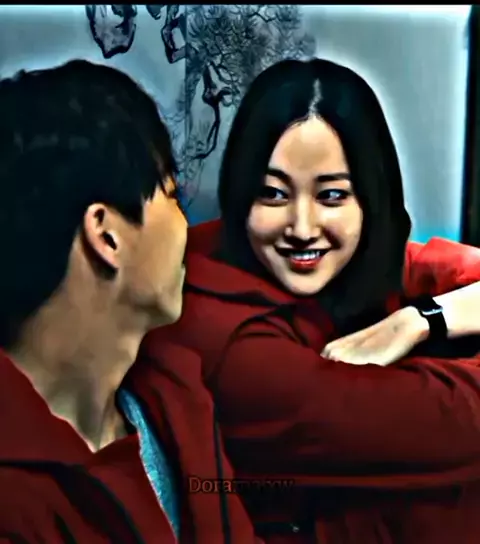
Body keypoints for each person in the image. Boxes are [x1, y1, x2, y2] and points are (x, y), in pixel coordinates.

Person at [142, 58, 480, 544]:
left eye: (332, 196)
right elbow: (452, 425)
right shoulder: (225, 340)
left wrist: (421, 318)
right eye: (273, 194)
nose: (302, 228)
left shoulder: (359, 262)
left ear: (371, 199)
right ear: (241, 196)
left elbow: (435, 270)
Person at [0, 60, 258, 544]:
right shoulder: (14, 500)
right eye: (171, 195)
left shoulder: (175, 399)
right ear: (106, 234)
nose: (185, 226)